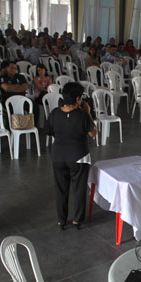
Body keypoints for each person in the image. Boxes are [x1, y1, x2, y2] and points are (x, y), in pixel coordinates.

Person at [47, 82, 97, 229]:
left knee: (60, 188)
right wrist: (88, 112)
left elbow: (50, 131)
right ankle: (77, 219)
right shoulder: (82, 115)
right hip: (79, 156)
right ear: (77, 99)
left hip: (58, 156)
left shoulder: (55, 113)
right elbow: (93, 133)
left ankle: (61, 219)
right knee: (79, 188)